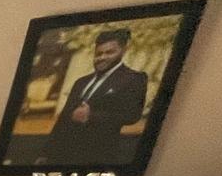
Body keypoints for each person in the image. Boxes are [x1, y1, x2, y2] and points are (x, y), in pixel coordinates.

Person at [46, 27, 149, 165]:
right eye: (99, 53)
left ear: (123, 51)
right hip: (63, 154)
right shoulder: (81, 82)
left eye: (109, 52)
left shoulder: (134, 78)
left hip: (98, 155)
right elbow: (63, 119)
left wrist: (91, 116)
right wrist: (46, 154)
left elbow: (132, 115)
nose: (102, 57)